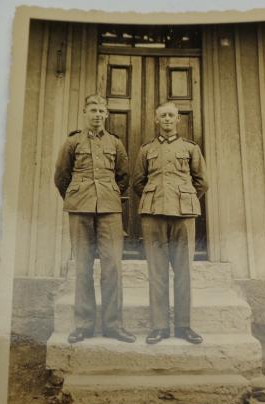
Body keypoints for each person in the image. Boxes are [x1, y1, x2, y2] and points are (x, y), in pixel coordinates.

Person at [54, 94, 135, 344]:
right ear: (85, 112)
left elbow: (123, 176)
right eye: (93, 110)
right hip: (80, 209)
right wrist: (77, 195)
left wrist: (109, 195)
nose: (97, 114)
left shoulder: (115, 143)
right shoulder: (72, 142)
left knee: (112, 267)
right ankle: (84, 325)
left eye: (101, 110)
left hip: (110, 210)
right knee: (82, 268)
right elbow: (61, 177)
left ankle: (113, 325)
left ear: (107, 115)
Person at [132, 101, 209, 344]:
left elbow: (202, 182)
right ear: (156, 120)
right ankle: (159, 327)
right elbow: (137, 181)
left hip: (183, 215)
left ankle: (184, 326)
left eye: (171, 116)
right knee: (157, 271)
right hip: (153, 215)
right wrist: (157, 199)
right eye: (162, 116)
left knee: (183, 272)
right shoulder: (146, 149)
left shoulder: (190, 148)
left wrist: (182, 198)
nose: (167, 119)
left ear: (178, 120)